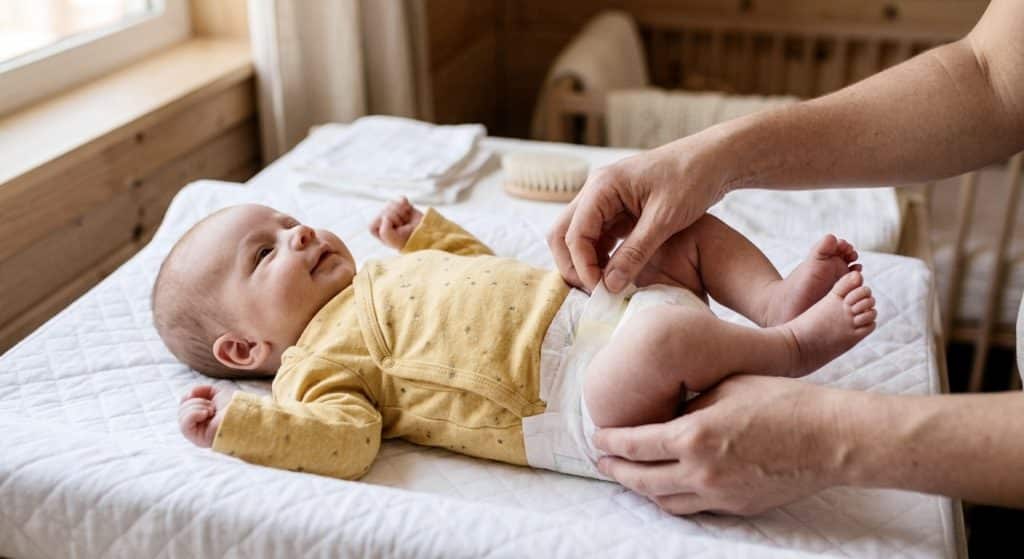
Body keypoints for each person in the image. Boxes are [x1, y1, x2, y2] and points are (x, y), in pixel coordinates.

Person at [548, 0, 1024, 515]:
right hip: (594, 341)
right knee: (680, 237)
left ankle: (790, 345)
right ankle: (773, 304)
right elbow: (992, 73)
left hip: (612, 364)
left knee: (662, 338)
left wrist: (826, 436)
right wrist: (707, 158)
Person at [158, 196, 873, 481]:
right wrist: (240, 424)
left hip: (596, 312)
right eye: (265, 253)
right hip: (575, 399)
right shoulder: (310, 370)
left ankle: (773, 299)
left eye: (288, 221)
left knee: (669, 228)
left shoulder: (375, 275)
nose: (300, 233)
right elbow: (346, 441)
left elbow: (481, 272)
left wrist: (427, 235)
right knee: (661, 339)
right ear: (244, 351)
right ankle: (794, 348)